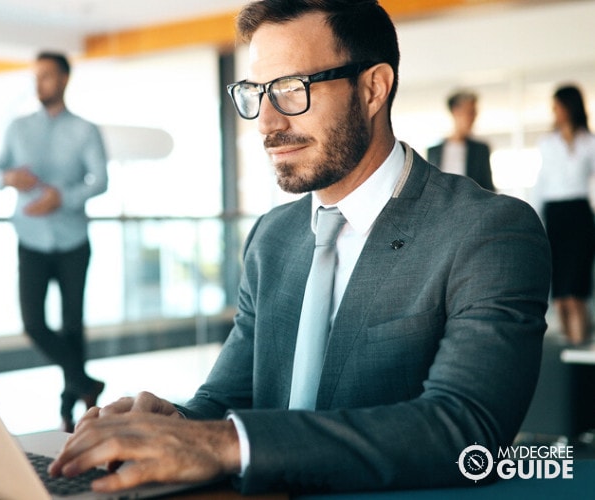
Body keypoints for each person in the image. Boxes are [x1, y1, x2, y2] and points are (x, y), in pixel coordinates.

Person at [49, 0, 551, 495]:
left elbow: (466, 433)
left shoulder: (487, 230)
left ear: (373, 88)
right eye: (256, 92)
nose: (267, 122)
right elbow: (230, 397)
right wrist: (176, 422)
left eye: (292, 89)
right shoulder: (272, 237)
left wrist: (225, 444)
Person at [0, 52, 108, 432]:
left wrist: (64, 197)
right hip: (31, 240)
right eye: (35, 76)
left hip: (73, 240)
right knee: (34, 324)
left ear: (63, 79)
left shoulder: (85, 130)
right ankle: (85, 382)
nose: (38, 82)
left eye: (46, 76)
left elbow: (99, 181)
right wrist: (10, 178)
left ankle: (70, 405)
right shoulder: (17, 127)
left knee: (73, 326)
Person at [532, 84, 595, 346]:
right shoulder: (547, 143)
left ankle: (581, 350)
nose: (555, 112)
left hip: (580, 216)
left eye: (558, 106)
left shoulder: (589, 142)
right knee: (560, 293)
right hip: (555, 217)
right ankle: (569, 352)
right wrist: (533, 218)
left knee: (576, 291)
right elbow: (542, 182)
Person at [427, 90, 495, 191]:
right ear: (455, 112)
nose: (473, 118)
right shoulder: (433, 151)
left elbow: (488, 188)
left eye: (475, 113)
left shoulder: (481, 150)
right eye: (470, 112)